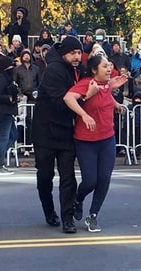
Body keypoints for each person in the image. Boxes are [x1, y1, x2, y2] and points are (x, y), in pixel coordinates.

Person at [63, 55, 127, 232]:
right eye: (105, 66)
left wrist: (117, 105)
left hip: (107, 138)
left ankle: (93, 215)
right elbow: (68, 98)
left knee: (104, 178)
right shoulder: (87, 84)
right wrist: (84, 115)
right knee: (90, 180)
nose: (109, 69)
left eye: (109, 66)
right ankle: (78, 199)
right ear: (94, 70)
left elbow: (106, 94)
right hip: (86, 141)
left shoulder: (107, 84)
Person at [32, 36, 86, 234]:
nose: (77, 57)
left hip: (64, 131)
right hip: (45, 132)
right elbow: (61, 101)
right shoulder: (54, 70)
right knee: (45, 176)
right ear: (64, 53)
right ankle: (49, 211)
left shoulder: (77, 69)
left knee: (68, 177)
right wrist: (85, 97)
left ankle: (67, 217)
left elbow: (93, 79)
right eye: (73, 53)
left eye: (79, 53)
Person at [0, 55, 18, 175]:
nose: (12, 68)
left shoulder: (6, 77)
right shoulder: (1, 78)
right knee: (4, 137)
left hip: (8, 111)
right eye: (10, 66)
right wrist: (9, 97)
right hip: (3, 111)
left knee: (13, 135)